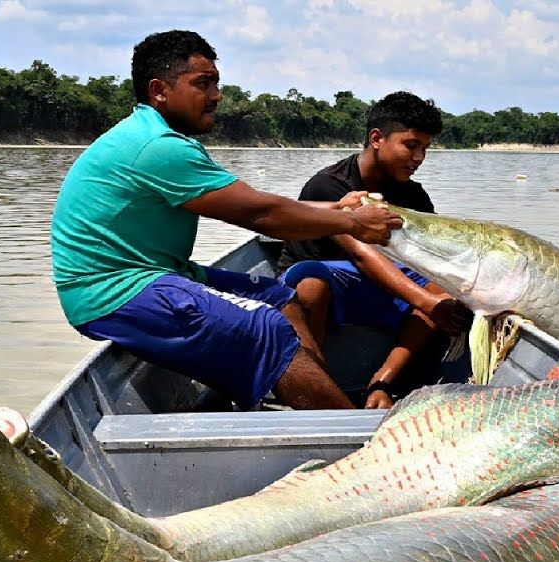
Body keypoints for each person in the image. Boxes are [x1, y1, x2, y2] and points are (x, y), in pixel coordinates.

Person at [49, 30, 403, 411]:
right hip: (111, 291)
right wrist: (352, 224)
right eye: (203, 84)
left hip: (157, 272)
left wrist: (338, 210)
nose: (217, 95)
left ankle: (310, 397)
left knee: (281, 298)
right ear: (159, 90)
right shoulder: (158, 147)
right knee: (265, 328)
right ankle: (355, 439)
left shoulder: (158, 137)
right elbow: (261, 215)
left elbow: (257, 202)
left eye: (216, 82)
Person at [278, 92, 472, 409]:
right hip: (327, 289)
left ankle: (381, 382)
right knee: (310, 288)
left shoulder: (414, 196)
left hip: (376, 291)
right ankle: (319, 392)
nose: (419, 157)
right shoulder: (330, 186)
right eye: (410, 145)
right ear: (377, 138)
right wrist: (427, 303)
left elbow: (433, 256)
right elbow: (361, 255)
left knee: (441, 287)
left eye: (425, 148)